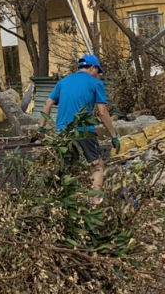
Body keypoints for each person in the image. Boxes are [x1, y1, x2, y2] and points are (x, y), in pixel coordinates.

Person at [39, 54, 120, 193]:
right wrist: (113, 135)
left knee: (69, 168)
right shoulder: (96, 83)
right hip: (84, 130)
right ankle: (95, 202)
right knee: (97, 165)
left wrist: (41, 128)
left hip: (62, 133)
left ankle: (68, 203)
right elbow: (102, 112)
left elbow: (48, 103)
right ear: (93, 68)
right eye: (98, 72)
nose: (98, 76)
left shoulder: (63, 82)